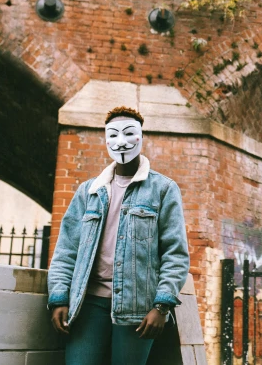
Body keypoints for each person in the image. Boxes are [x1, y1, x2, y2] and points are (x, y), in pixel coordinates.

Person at [48, 106, 190, 365]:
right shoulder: (88, 191)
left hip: (138, 309)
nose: (121, 141)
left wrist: (161, 306)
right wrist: (58, 297)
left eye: (128, 133)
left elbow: (175, 253)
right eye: (113, 135)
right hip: (87, 304)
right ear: (105, 140)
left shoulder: (163, 189)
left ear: (141, 137)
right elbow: (66, 250)